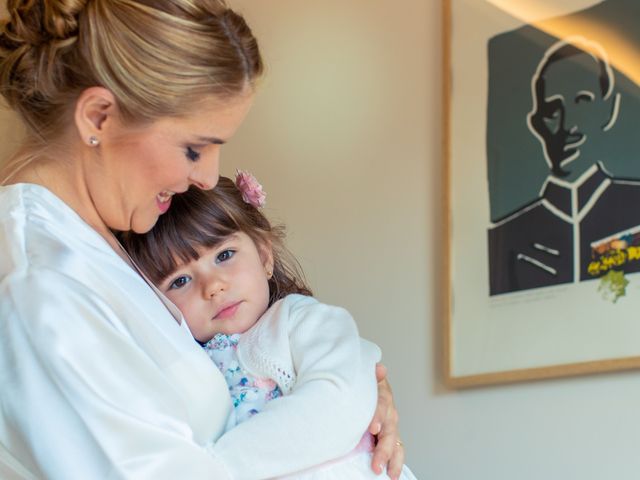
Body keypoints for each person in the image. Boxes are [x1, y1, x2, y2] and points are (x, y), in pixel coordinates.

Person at [0, 1, 404, 479]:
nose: (208, 177)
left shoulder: (104, 246)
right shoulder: (38, 281)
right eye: (194, 148)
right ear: (98, 118)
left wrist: (351, 416)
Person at [119, 172, 418, 480]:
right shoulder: (181, 364)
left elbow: (338, 401)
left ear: (264, 255)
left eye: (224, 255)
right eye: (180, 280)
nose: (213, 287)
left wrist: (215, 468)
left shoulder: (302, 322)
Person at [488, 36, 640, 295]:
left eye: (582, 102)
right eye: (552, 111)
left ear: (608, 109)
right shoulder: (505, 239)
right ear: (536, 123)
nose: (567, 125)